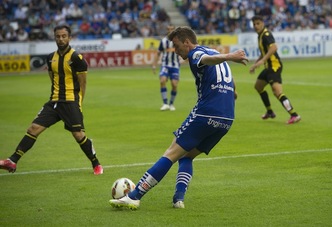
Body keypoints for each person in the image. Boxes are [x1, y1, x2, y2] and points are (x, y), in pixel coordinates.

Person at [109, 26, 248, 210]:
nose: (175, 50)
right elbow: (223, 70)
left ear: (187, 42)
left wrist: (230, 56)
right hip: (227, 119)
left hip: (206, 113)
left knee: (171, 153)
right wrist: (234, 91)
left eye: (176, 46)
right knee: (187, 156)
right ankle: (178, 200)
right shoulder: (213, 50)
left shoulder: (196, 53)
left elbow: (206, 60)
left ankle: (134, 196)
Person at [0, 25, 103, 175]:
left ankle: (96, 163)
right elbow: (53, 79)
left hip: (70, 102)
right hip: (54, 102)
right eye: (58, 36)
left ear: (69, 37)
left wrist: (79, 103)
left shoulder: (76, 58)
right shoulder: (50, 58)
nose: (61, 39)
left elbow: (83, 83)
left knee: (78, 135)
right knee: (33, 129)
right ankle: (13, 160)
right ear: (54, 37)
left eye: (64, 36)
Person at [249, 15, 301, 124]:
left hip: (274, 66)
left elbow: (274, 48)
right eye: (254, 24)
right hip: (268, 67)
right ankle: (270, 112)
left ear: (263, 23)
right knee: (258, 86)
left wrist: (262, 61)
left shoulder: (266, 34)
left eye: (258, 23)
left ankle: (294, 115)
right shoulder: (260, 36)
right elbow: (264, 52)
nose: (256, 26)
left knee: (277, 92)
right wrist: (256, 63)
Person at [152, 25, 180, 111]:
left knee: (174, 85)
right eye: (169, 29)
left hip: (175, 66)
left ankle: (171, 104)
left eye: (172, 29)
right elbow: (158, 53)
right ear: (167, 30)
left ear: (174, 30)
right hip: (165, 65)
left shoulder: (178, 41)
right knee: (162, 80)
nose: (170, 30)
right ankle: (165, 103)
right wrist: (154, 65)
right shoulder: (163, 41)